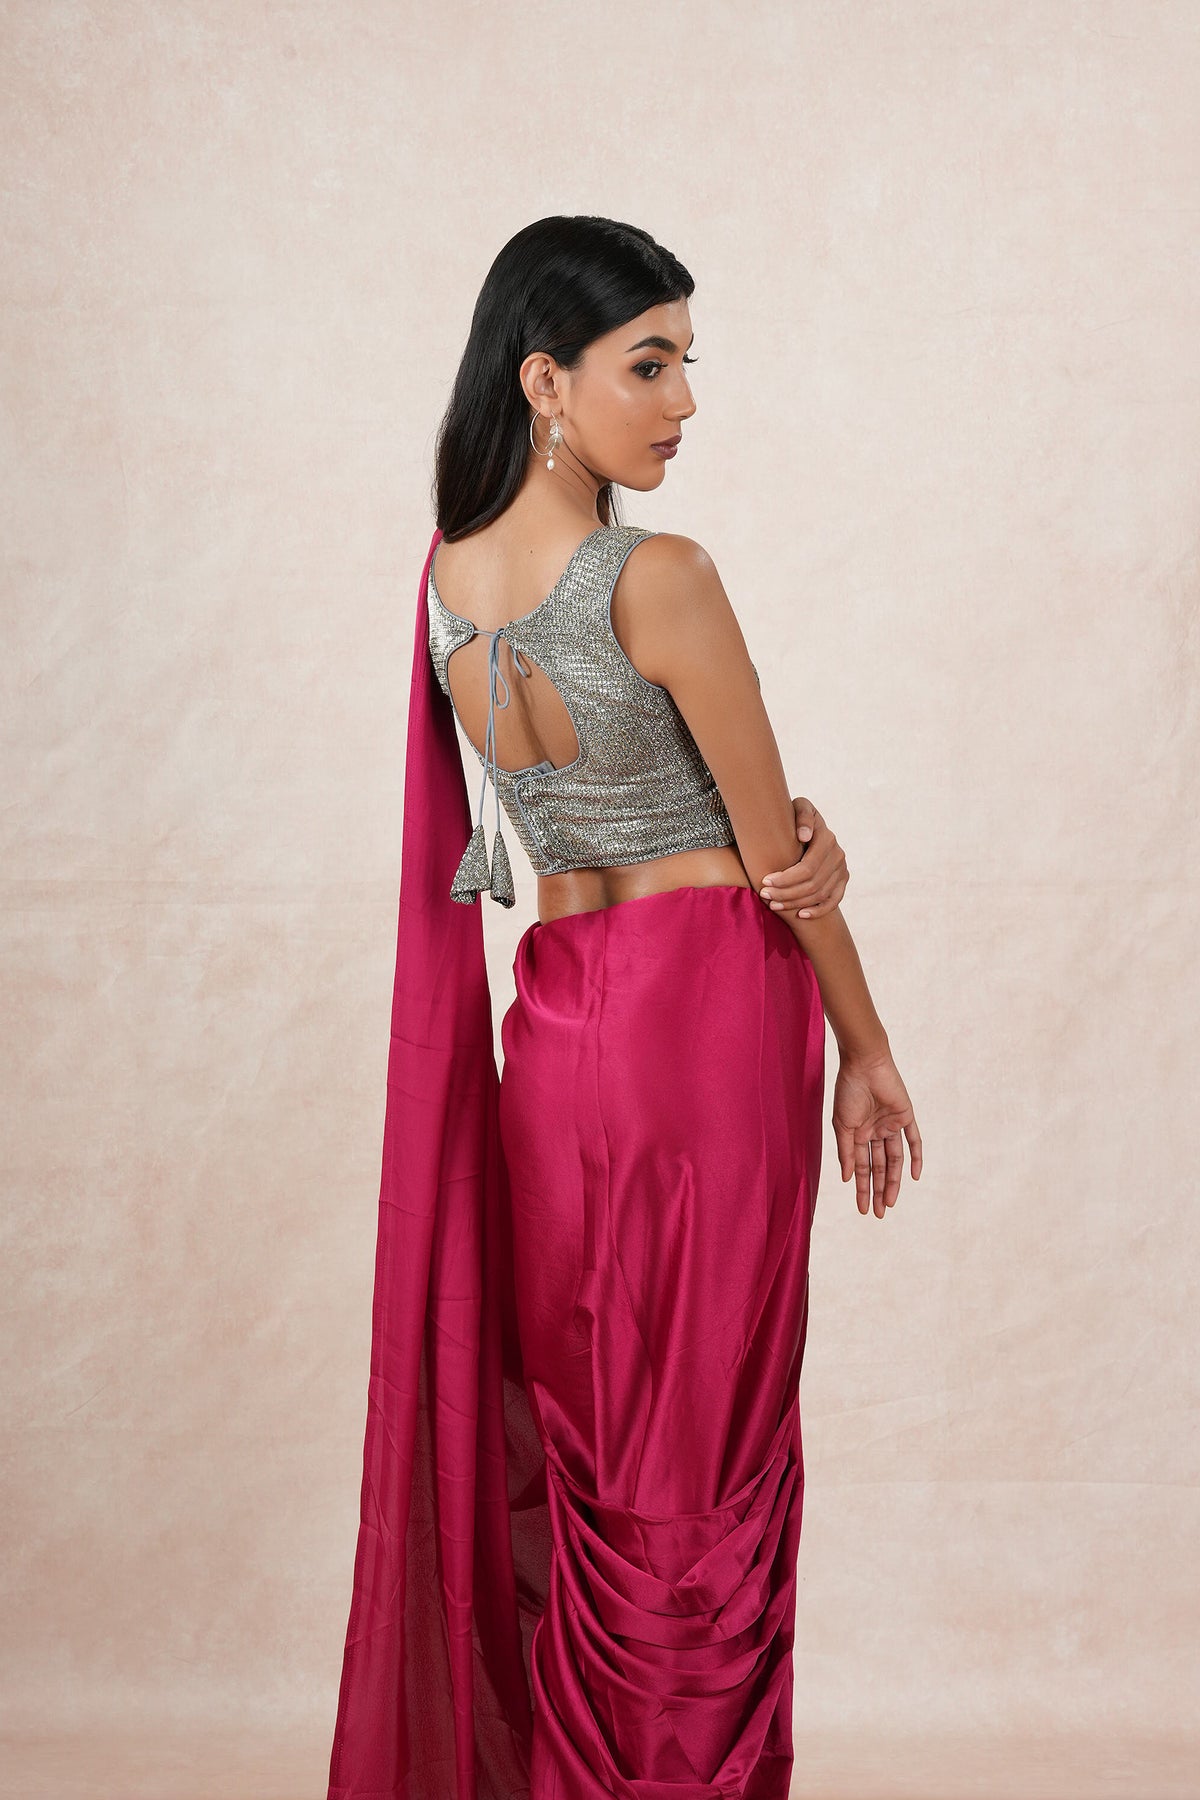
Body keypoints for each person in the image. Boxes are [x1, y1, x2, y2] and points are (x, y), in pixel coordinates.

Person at [326, 215, 922, 1800]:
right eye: (647, 364)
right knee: (707, 1460)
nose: (683, 402)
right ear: (546, 380)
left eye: (685, 363)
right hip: (708, 1023)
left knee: (596, 1449)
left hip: (561, 1033)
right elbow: (780, 861)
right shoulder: (660, 575)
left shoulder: (448, 585)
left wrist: (789, 846)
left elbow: (547, 828)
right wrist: (865, 1049)